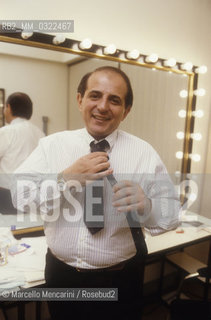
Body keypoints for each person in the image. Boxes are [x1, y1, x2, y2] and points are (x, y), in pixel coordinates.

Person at [11, 67, 180, 319]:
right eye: (95, 95)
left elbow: (172, 214)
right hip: (62, 276)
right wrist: (64, 179)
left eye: (114, 100)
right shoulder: (51, 146)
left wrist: (147, 206)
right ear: (80, 100)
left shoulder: (144, 153)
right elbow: (19, 196)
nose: (103, 106)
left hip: (121, 278)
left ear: (126, 110)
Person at [0, 92, 44, 189]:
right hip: (33, 193)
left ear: (8, 107)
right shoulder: (40, 134)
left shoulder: (6, 132)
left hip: (6, 193)